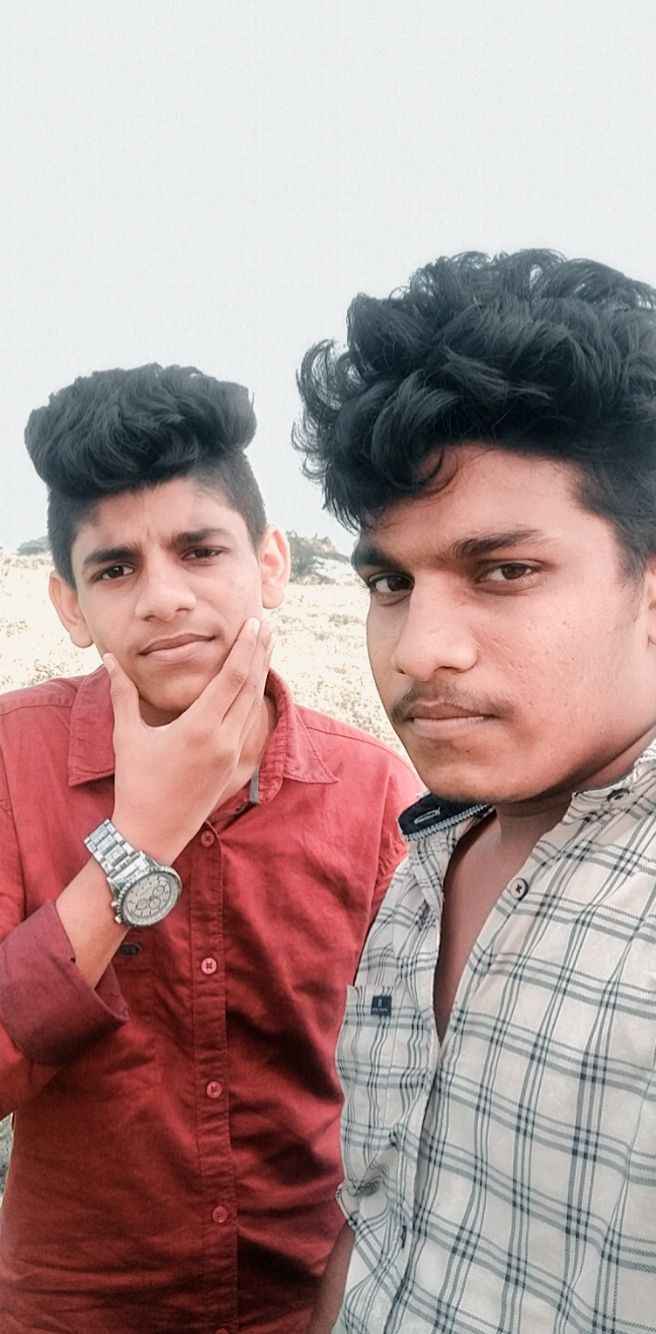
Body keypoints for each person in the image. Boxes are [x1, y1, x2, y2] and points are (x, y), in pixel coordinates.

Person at [0, 364, 417, 1334]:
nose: (163, 597)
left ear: (269, 563)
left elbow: (415, 1099)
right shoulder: (12, 763)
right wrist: (140, 839)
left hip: (308, 1301)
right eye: (116, 568)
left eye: (199, 550)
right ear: (70, 605)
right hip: (75, 1309)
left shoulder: (371, 792)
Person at [294, 250, 656, 1333]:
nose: (419, 648)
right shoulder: (425, 860)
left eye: (503, 571)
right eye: (389, 582)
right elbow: (377, 1217)